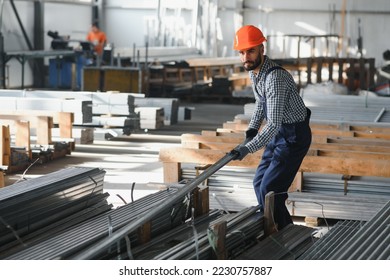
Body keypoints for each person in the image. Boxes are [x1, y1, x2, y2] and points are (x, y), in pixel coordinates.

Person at [231, 25, 312, 230]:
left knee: (271, 189)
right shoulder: (255, 72)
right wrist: (251, 130)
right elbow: (261, 103)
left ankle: (284, 233)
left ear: (261, 49)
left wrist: (247, 149)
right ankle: (272, 226)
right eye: (242, 52)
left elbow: (273, 124)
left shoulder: (275, 78)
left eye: (250, 51)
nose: (245, 57)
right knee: (259, 183)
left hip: (293, 136)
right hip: (279, 133)